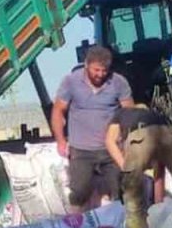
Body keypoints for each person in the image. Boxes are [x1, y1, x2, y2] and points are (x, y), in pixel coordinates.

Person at [52, 45, 133, 213]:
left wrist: (129, 141)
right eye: (96, 70)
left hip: (111, 150)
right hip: (81, 150)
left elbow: (129, 112)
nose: (100, 74)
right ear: (86, 65)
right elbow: (58, 110)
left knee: (120, 189)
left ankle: (123, 227)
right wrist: (60, 140)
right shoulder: (71, 82)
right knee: (79, 192)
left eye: (104, 71)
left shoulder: (118, 83)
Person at [104, 104, 172, 228]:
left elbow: (109, 141)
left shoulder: (122, 113)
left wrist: (126, 167)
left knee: (132, 191)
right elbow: (160, 172)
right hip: (169, 134)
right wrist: (158, 208)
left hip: (141, 134)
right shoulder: (158, 116)